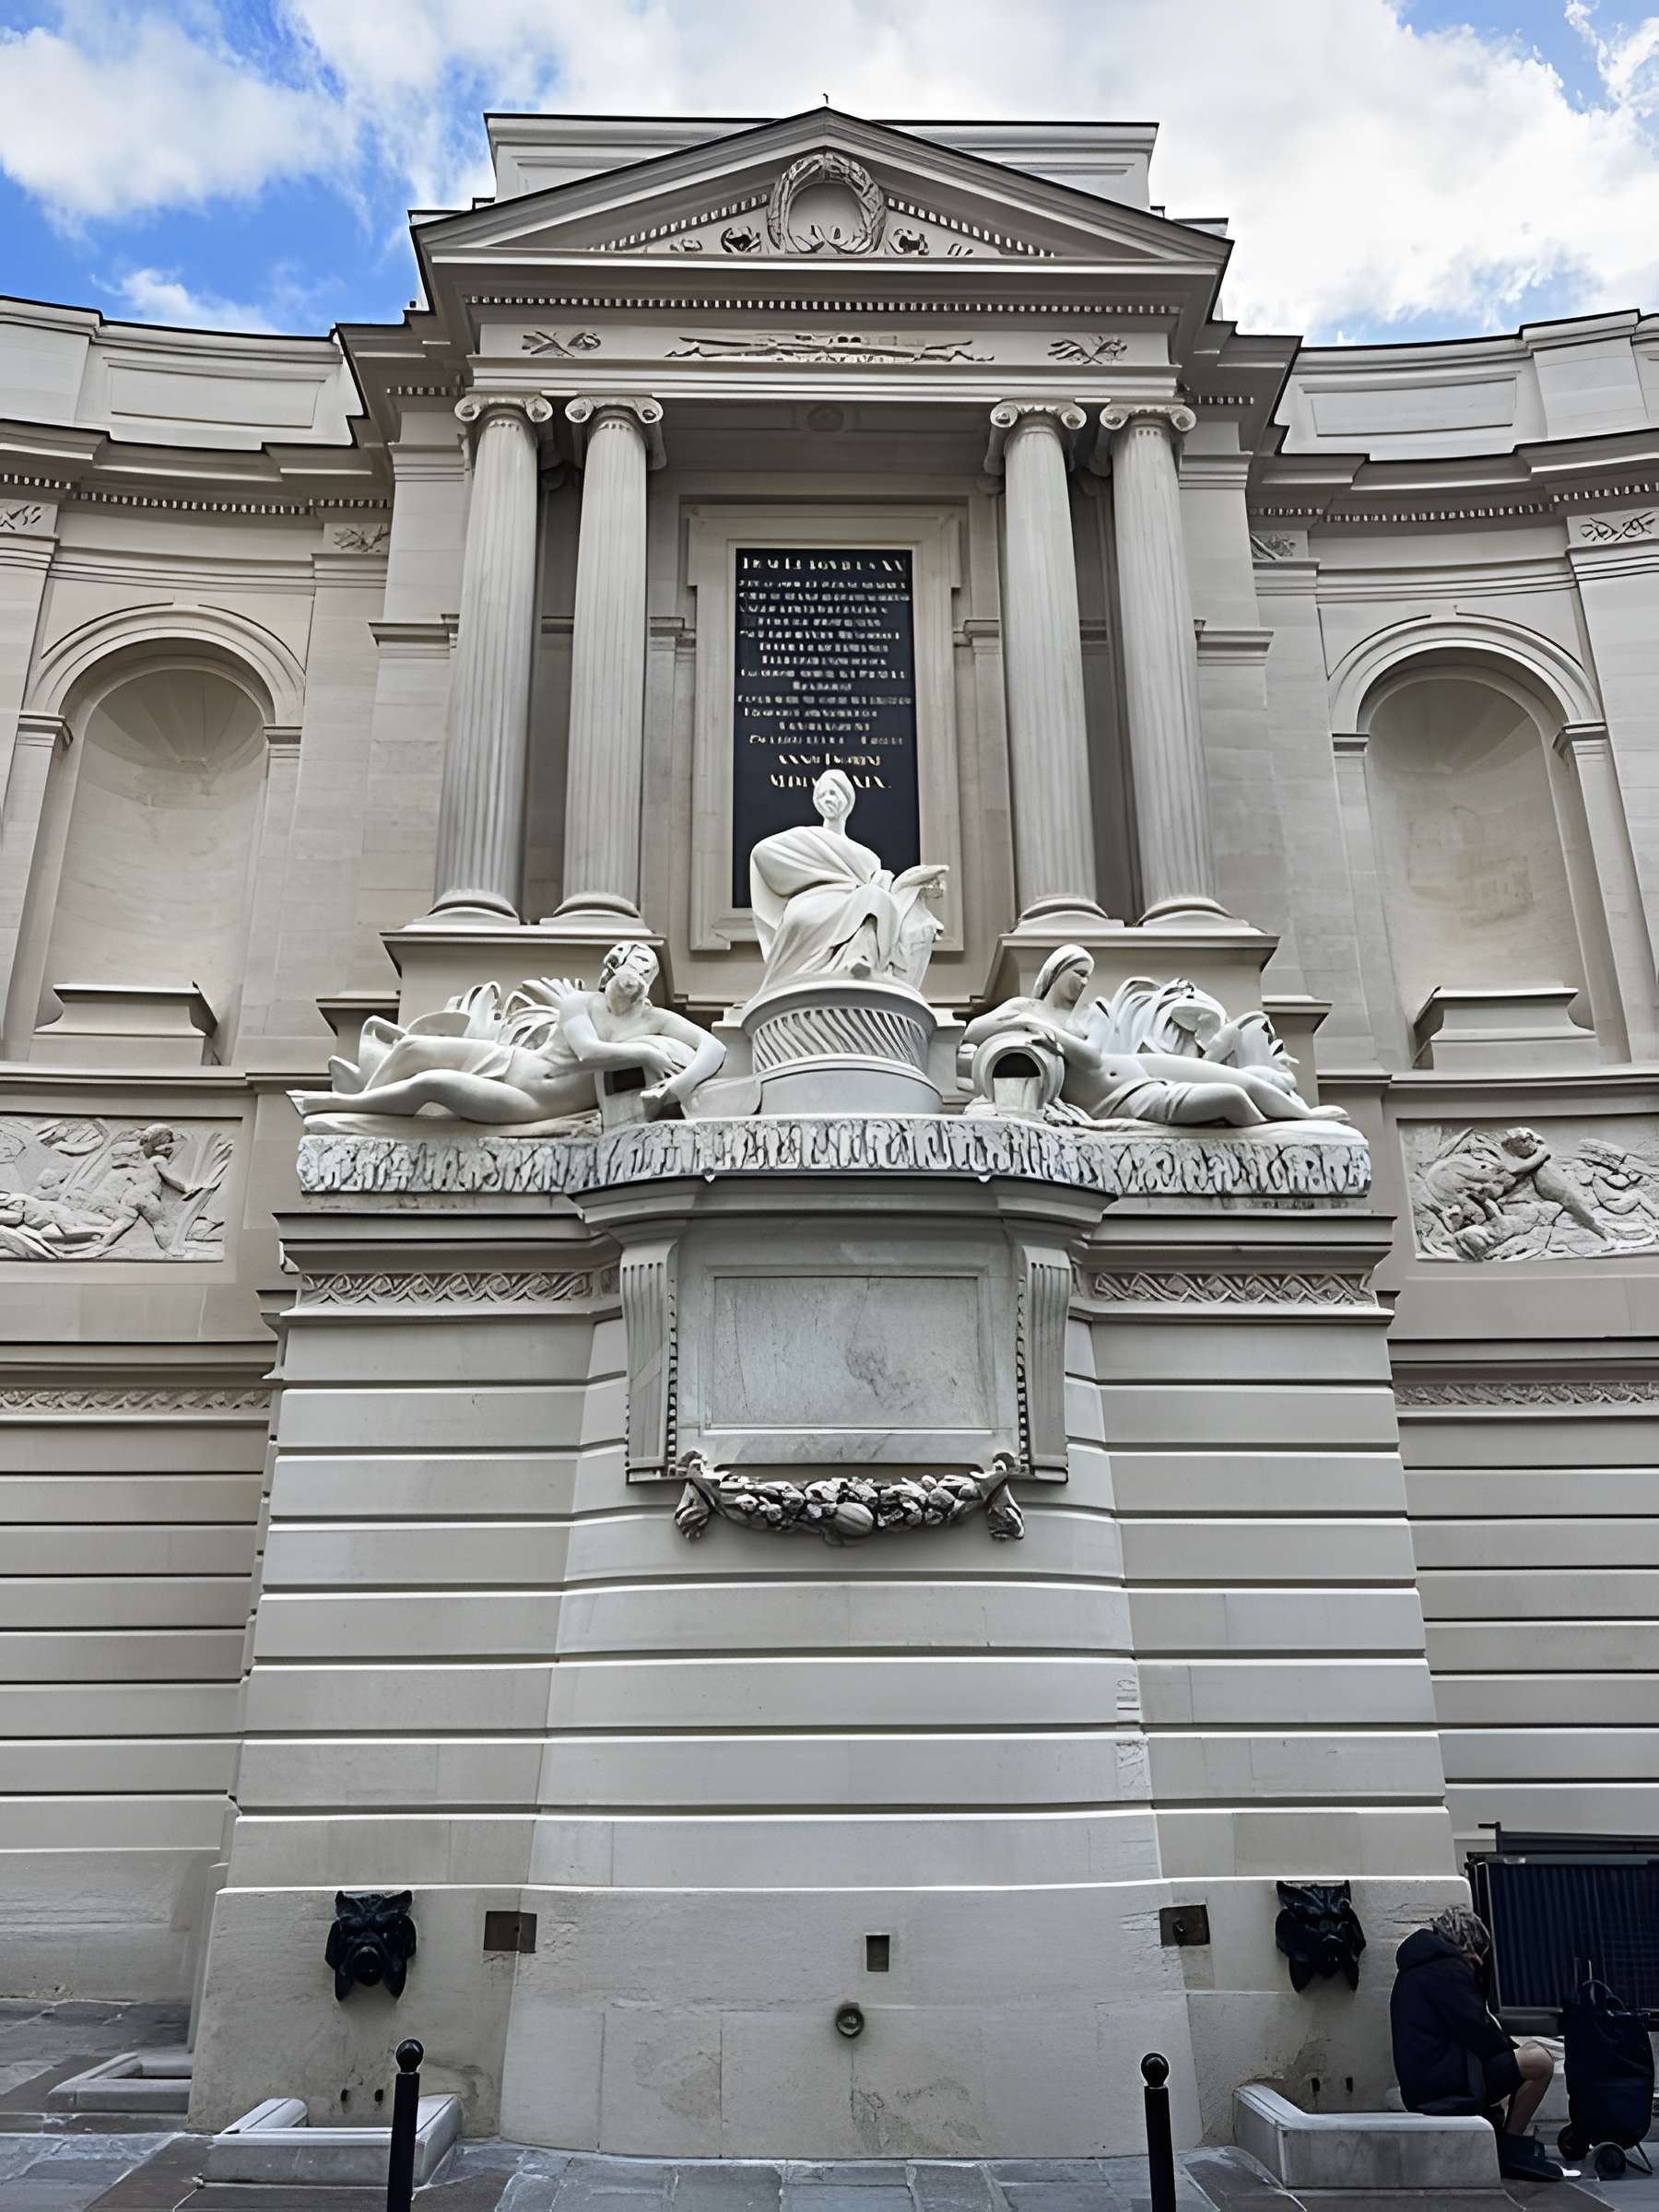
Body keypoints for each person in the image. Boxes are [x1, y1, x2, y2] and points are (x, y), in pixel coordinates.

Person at [1391, 1906, 1562, 2183]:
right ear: (1468, 1943)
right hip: (1444, 2086)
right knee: (1539, 2063)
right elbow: (1481, 2032)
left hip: (1430, 2081)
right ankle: (1512, 2148)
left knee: (1526, 2054)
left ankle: (1508, 2138)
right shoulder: (1445, 1970)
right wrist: (1514, 2056)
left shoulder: (1421, 1966)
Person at [747, 768, 947, 994]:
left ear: (847, 799)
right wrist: (817, 873)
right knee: (802, 916)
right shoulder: (807, 839)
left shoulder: (867, 856)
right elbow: (761, 853)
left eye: (833, 793)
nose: (827, 800)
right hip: (813, 899)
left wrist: (914, 882)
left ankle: (860, 960)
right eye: (822, 795)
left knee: (874, 898)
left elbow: (884, 888)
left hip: (853, 900)